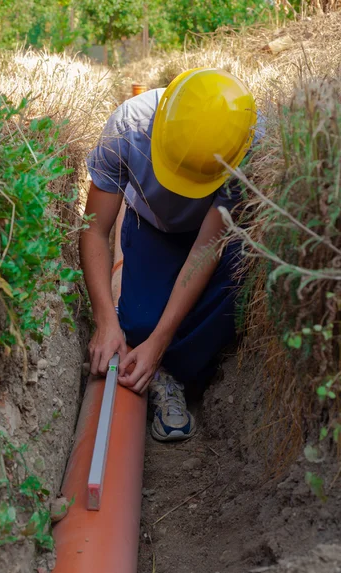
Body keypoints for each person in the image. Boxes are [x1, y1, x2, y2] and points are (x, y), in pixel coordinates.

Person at [80, 67, 257, 442]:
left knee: (238, 289)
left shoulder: (246, 144)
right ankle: (159, 355)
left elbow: (204, 250)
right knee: (139, 324)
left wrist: (160, 344)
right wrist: (105, 322)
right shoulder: (128, 127)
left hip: (216, 240)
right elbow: (95, 229)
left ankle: (172, 374)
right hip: (152, 227)